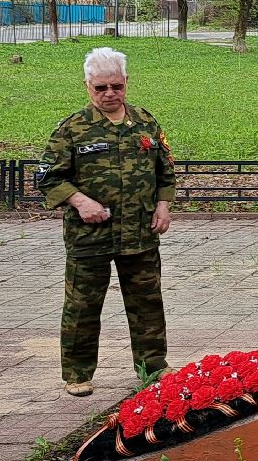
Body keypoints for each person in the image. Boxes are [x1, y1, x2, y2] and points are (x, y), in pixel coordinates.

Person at [36, 47, 176, 396]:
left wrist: (163, 206)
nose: (110, 94)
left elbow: (165, 170)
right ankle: (78, 373)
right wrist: (80, 201)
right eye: (101, 88)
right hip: (90, 235)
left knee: (147, 302)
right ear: (87, 86)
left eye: (116, 86)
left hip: (140, 231)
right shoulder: (71, 129)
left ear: (126, 82)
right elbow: (48, 177)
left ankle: (153, 366)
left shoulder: (145, 123)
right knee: (82, 306)